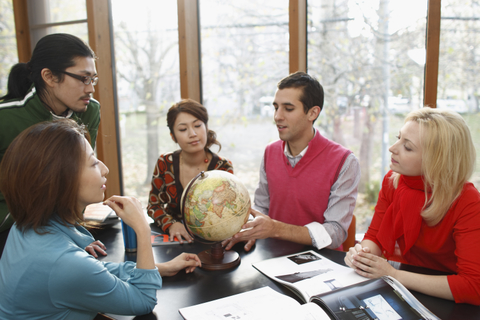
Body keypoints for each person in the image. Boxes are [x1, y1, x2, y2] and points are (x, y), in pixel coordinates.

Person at [0, 119, 201, 319]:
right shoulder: (64, 263)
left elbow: (94, 271)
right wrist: (142, 228)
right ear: (62, 179)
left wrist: (162, 268)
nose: (105, 169)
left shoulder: (25, 228)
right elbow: (143, 300)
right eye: (94, 162)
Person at [345, 107, 480, 305]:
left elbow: (473, 287)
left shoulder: (468, 201)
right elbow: (374, 237)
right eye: (398, 138)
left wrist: (393, 275)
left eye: (407, 147)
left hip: (447, 298)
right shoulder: (392, 181)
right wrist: (362, 256)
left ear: (437, 160)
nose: (392, 148)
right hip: (405, 287)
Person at [223, 71, 360, 252]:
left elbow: (334, 234)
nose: (277, 116)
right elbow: (261, 207)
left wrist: (276, 229)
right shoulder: (270, 152)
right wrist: (249, 232)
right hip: (270, 257)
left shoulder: (345, 162)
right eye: (275, 107)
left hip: (322, 264)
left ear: (312, 113)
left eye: (288, 109)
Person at [0, 33, 102, 257]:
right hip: (10, 228)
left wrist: (75, 234)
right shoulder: (5, 117)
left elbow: (80, 178)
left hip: (57, 228)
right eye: (83, 78)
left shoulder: (90, 111)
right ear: (50, 76)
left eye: (93, 79)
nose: (90, 89)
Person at [147, 99, 234, 243]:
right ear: (173, 136)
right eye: (183, 129)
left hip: (212, 241)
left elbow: (228, 212)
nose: (192, 133)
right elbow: (153, 205)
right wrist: (171, 224)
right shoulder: (164, 163)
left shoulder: (222, 166)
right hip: (175, 241)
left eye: (198, 125)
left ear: (206, 128)